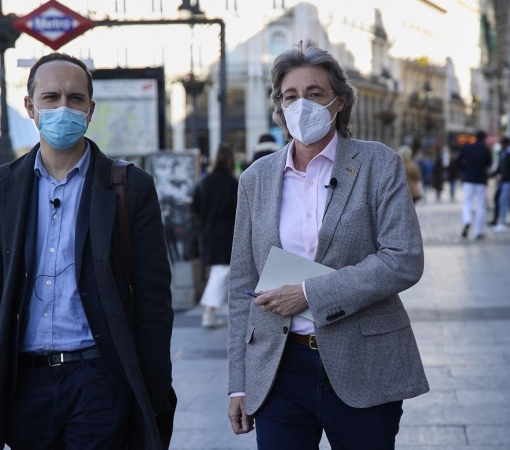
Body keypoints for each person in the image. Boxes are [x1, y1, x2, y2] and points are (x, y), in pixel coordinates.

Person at [0, 53, 175, 450]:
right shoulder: (5, 185)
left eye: (76, 99)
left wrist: (152, 390)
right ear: (30, 106)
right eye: (51, 97)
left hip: (99, 377)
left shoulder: (129, 187)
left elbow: (153, 298)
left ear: (90, 110)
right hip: (25, 384)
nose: (64, 108)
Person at [227, 44, 429, 449]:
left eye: (314, 93)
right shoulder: (256, 178)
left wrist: (307, 294)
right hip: (280, 366)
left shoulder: (378, 163)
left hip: (364, 362)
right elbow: (242, 283)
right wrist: (238, 383)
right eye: (290, 96)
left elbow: (403, 258)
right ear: (280, 107)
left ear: (338, 101)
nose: (302, 104)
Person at [192, 143, 238, 328]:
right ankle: (209, 312)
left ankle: (214, 310)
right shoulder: (234, 183)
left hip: (209, 232)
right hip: (228, 233)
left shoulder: (205, 181)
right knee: (222, 271)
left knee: (220, 271)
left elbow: (195, 206)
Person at [456, 130, 493, 240]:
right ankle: (478, 231)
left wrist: (464, 170)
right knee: (480, 205)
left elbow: (457, 160)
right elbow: (489, 164)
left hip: (468, 179)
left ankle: (467, 221)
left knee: (467, 203)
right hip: (481, 180)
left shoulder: (467, 148)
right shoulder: (486, 149)